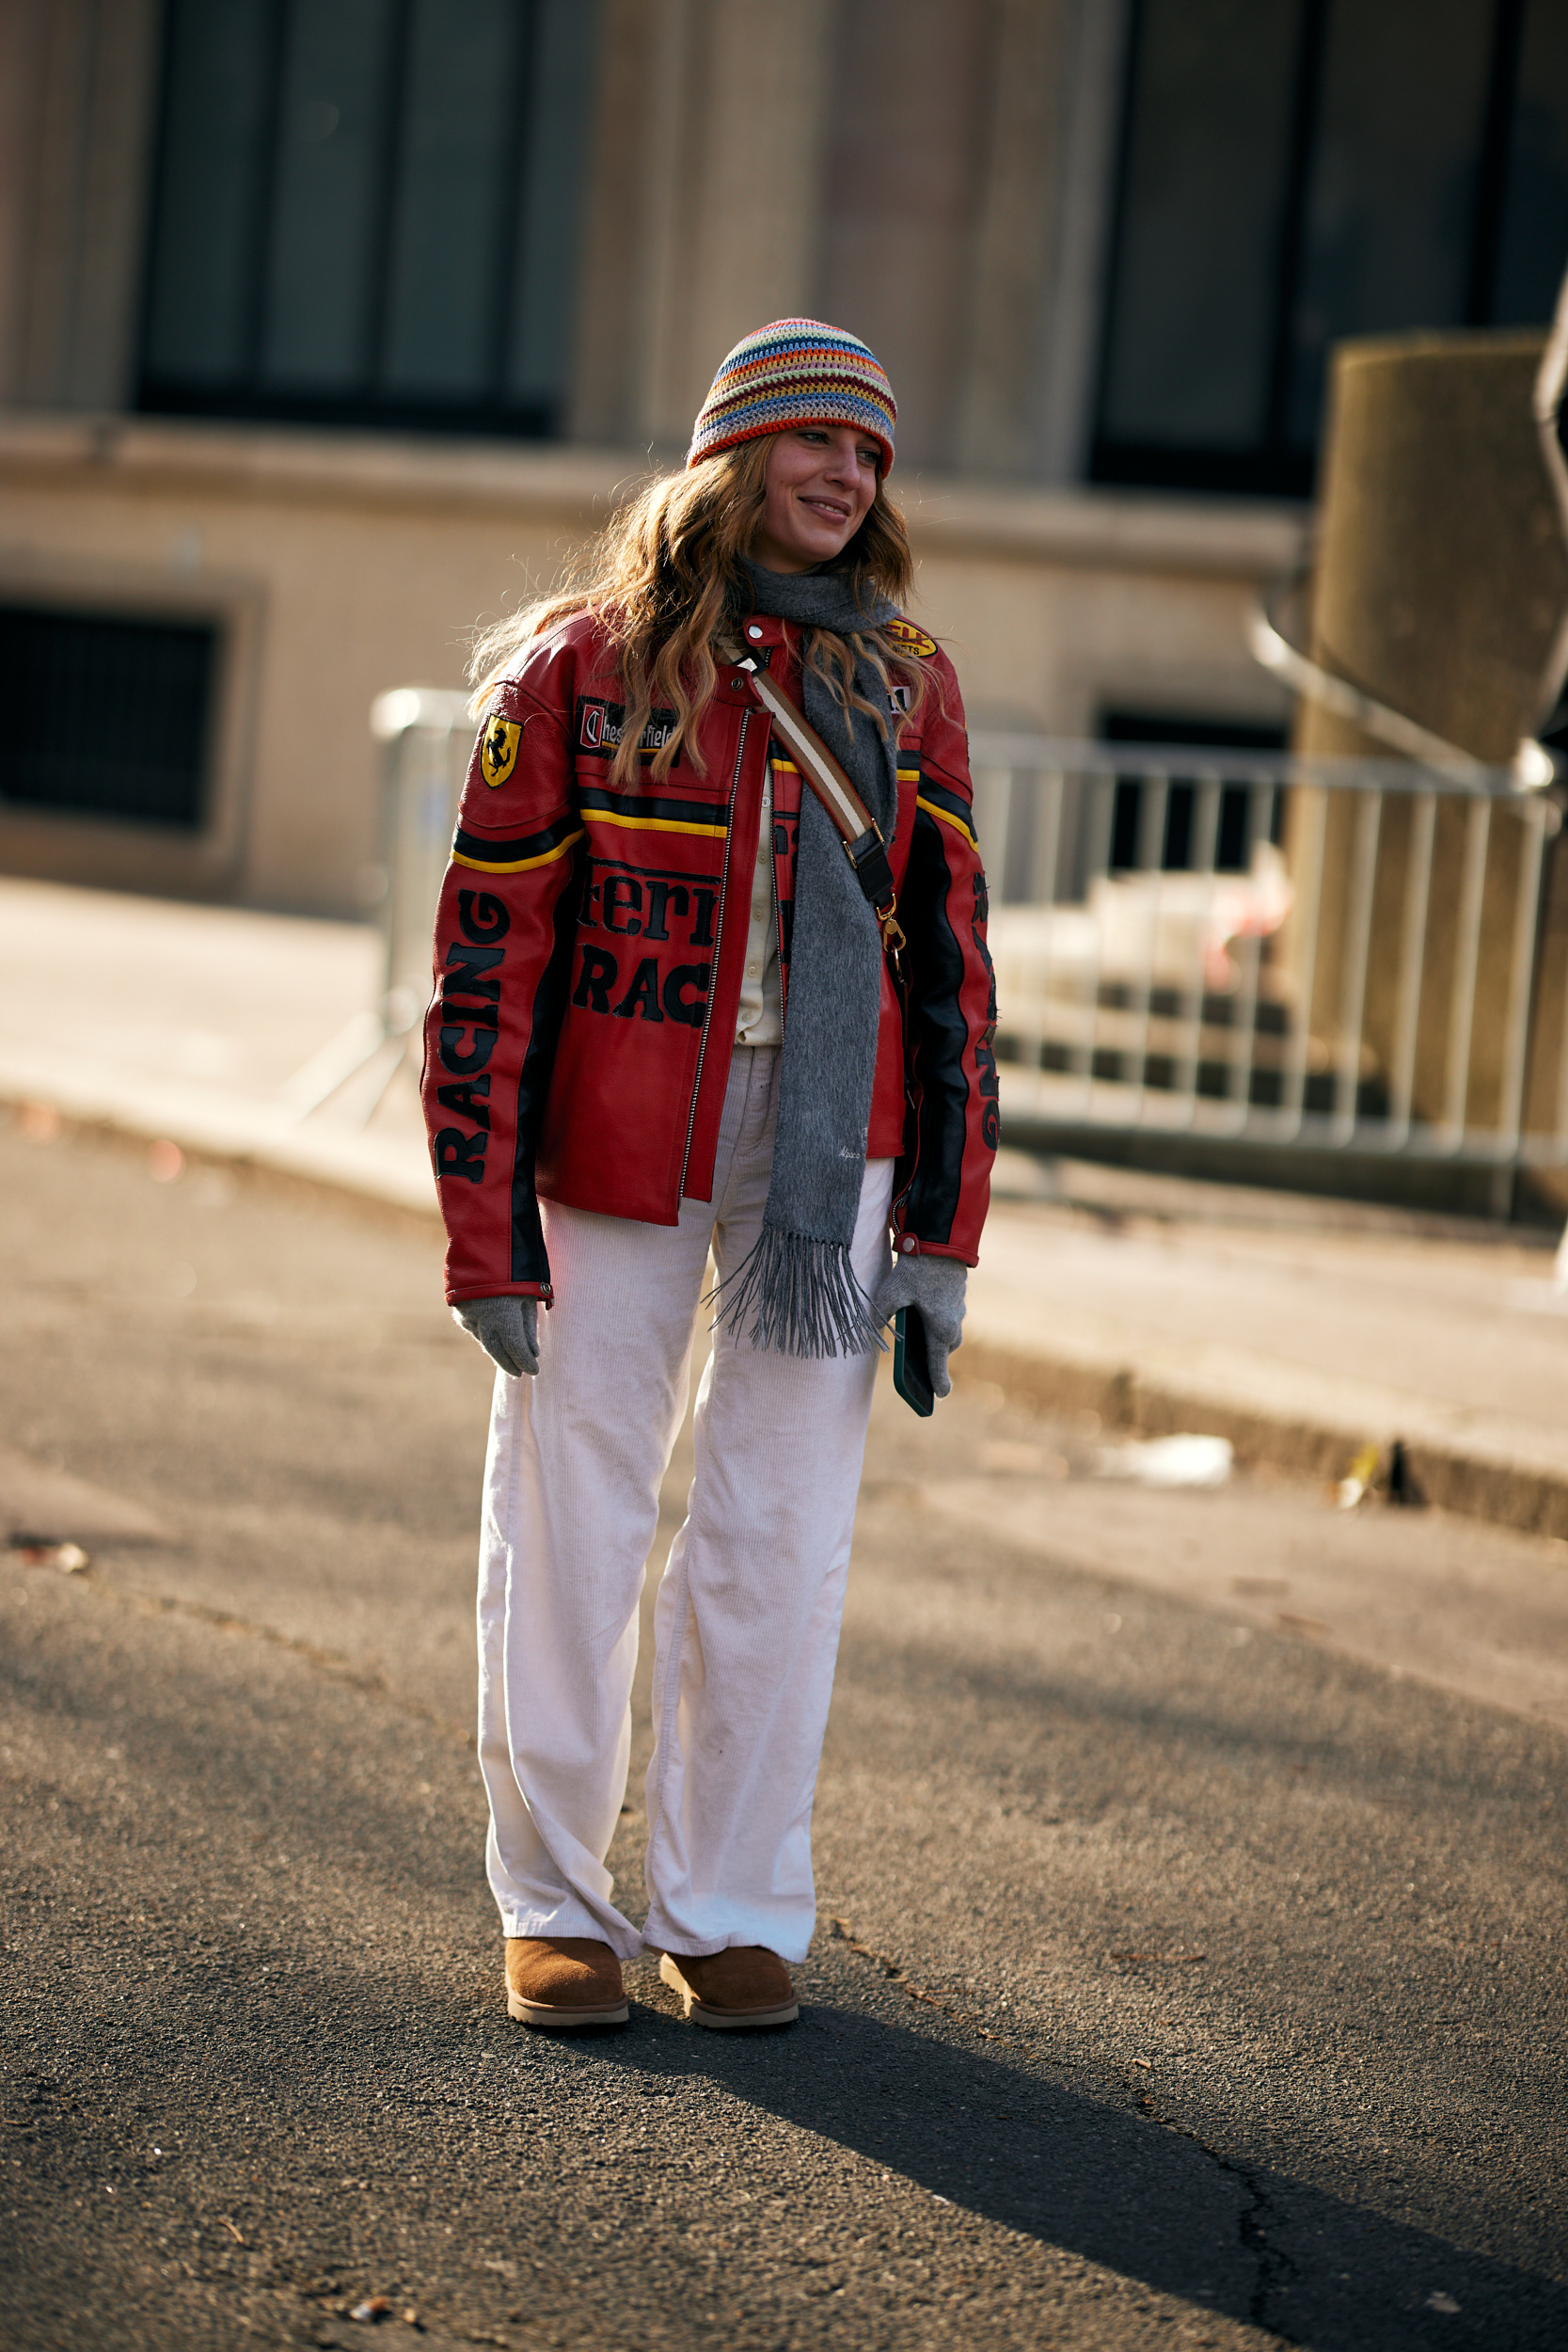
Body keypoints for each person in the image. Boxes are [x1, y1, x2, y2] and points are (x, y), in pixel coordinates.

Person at [423, 318, 997, 2032]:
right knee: (572, 1508)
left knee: (781, 1530)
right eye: (817, 439)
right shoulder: (577, 666)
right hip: (615, 1144)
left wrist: (942, 1230)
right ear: (730, 457)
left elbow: (951, 969)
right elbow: (485, 962)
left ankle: (730, 1901)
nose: (846, 475)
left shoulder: (905, 674)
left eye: (871, 453)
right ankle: (558, 1904)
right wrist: (484, 1237)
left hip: (831, 1159)